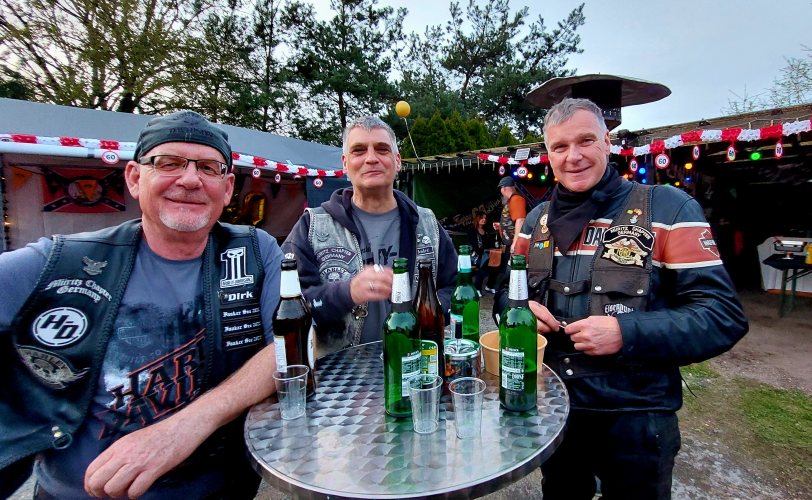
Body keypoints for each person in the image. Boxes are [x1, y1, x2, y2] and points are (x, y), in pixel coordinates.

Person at [0, 111, 284, 499]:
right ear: (134, 178)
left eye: (208, 167)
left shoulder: (254, 250)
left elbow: (289, 347)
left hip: (222, 489)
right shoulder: (60, 261)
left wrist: (190, 423)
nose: (190, 180)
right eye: (168, 163)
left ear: (228, 187)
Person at [493, 98, 748, 499]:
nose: (573, 156)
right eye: (560, 146)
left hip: (636, 417)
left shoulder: (668, 208)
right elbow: (505, 295)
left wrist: (627, 332)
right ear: (548, 154)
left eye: (585, 141)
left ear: (607, 142)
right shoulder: (537, 220)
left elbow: (722, 316)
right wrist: (517, 308)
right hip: (555, 409)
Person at [283, 116, 457, 356]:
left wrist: (429, 312)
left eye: (382, 149)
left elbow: (455, 287)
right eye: (359, 150)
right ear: (345, 163)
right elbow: (289, 306)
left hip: (415, 363)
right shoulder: (312, 226)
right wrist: (346, 293)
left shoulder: (427, 224)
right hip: (339, 371)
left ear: (397, 161)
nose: (371, 158)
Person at [466, 210, 497, 292]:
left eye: (485, 218)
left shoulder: (485, 231)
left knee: (496, 265)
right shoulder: (472, 230)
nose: (484, 220)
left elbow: (489, 244)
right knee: (484, 265)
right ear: (477, 218)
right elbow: (475, 247)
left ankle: (489, 285)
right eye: (482, 218)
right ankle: (477, 288)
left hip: (485, 254)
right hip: (475, 256)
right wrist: (485, 253)